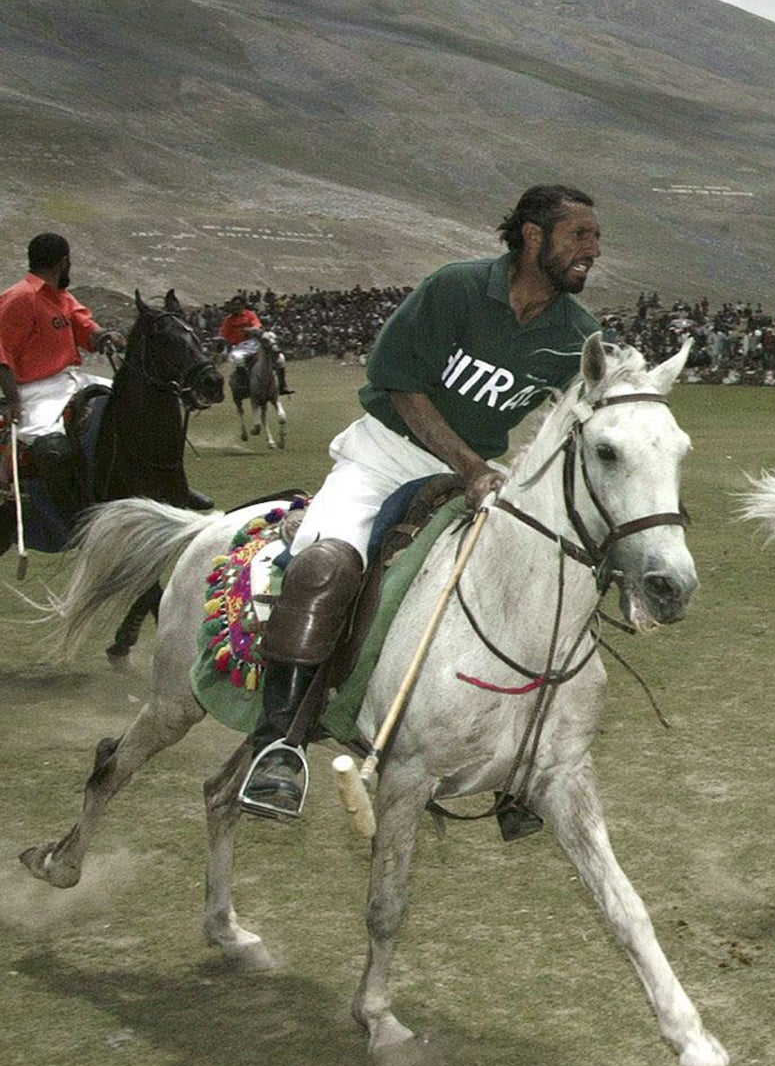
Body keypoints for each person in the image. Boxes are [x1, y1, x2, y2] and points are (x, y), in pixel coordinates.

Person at [239, 184, 604, 819]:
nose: (593, 250)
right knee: (325, 567)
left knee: (538, 579)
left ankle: (522, 759)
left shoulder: (577, 333)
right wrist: (469, 468)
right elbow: (401, 385)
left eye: (596, 238)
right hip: (384, 458)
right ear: (534, 237)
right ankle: (280, 745)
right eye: (580, 235)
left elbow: (587, 419)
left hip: (478, 476)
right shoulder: (456, 289)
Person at [0, 234, 123, 508]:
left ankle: (170, 487)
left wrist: (104, 335)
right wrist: (14, 400)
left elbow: (85, 328)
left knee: (135, 402)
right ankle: (74, 514)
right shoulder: (20, 297)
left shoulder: (62, 296)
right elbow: (1, 353)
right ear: (64, 262)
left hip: (72, 379)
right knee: (51, 448)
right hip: (35, 389)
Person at [218, 294, 290, 399]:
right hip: (239, 346)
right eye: (234, 305)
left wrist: (251, 329)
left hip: (255, 342)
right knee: (238, 359)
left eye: (238, 305)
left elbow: (257, 325)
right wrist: (221, 341)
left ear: (243, 305)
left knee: (280, 359)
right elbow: (223, 335)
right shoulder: (228, 320)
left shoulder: (250, 314)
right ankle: (243, 385)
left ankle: (283, 386)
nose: (235, 307)